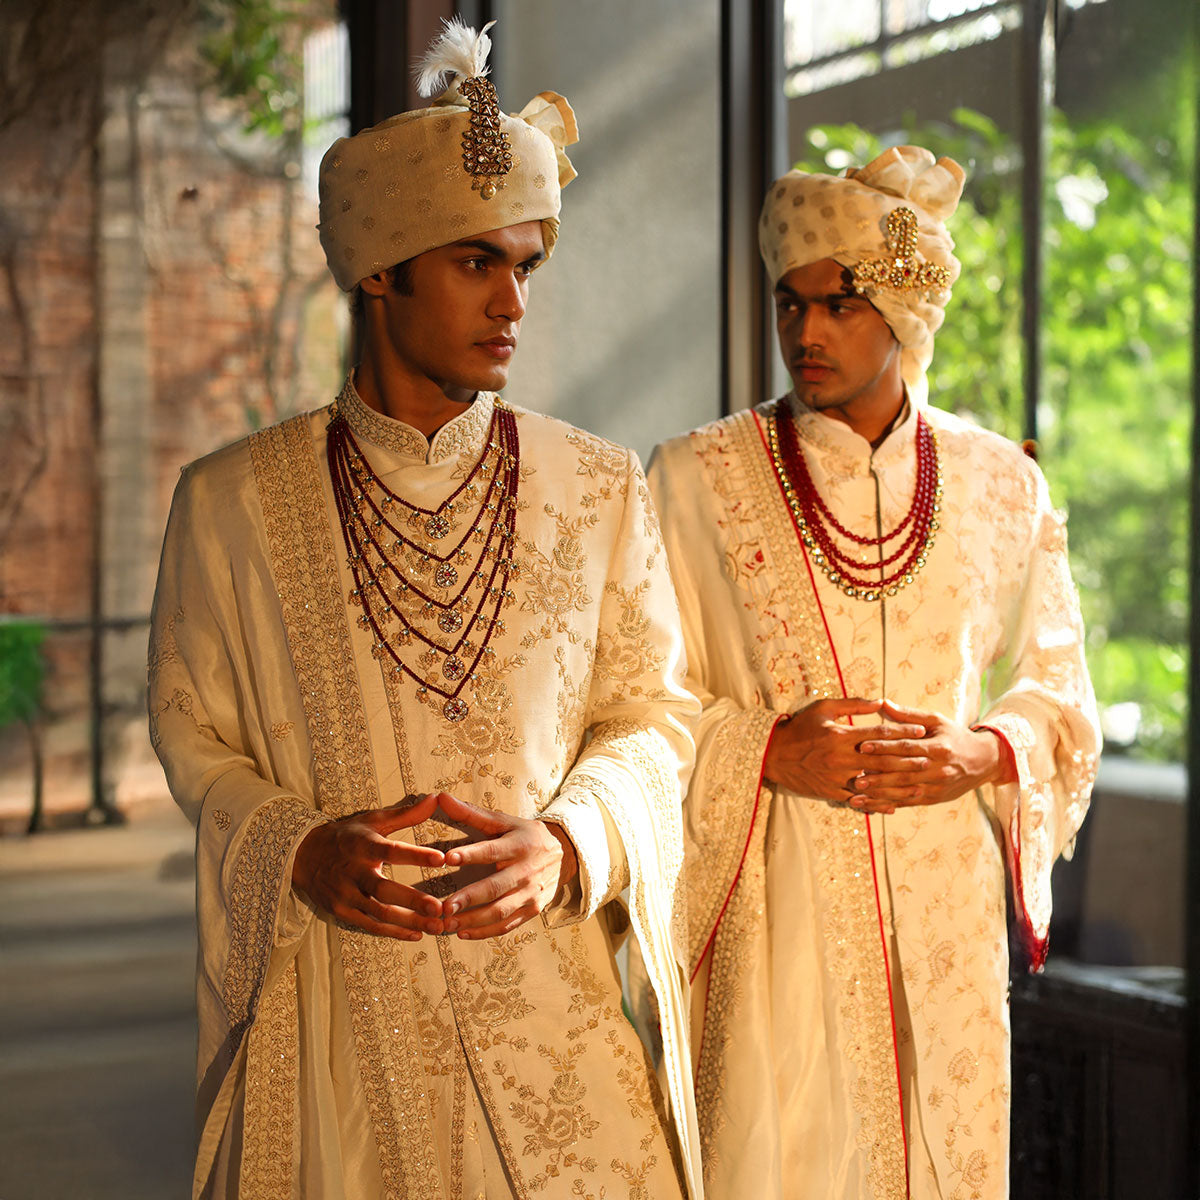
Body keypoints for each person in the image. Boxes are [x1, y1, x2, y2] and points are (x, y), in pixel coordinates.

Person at [149, 20, 702, 1199]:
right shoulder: (231, 504)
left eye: (524, 267)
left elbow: (654, 716)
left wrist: (569, 844)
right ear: (380, 271)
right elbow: (193, 734)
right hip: (341, 1027)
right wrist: (295, 846)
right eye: (474, 263)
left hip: (557, 1023)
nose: (512, 301)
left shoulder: (599, 486)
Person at [648, 146, 1100, 1199]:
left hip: (944, 905)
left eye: (841, 304)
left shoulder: (999, 485)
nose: (806, 334)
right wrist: (766, 748)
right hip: (770, 902)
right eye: (788, 303)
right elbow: (631, 706)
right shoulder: (691, 479)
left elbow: (1061, 692)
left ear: (904, 307)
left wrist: (981, 750)